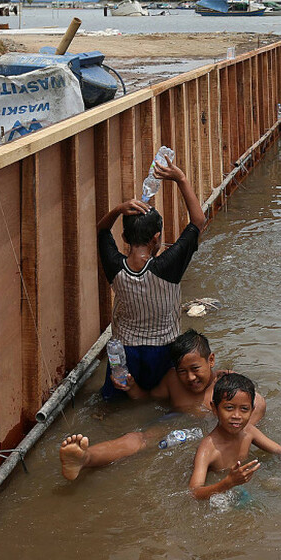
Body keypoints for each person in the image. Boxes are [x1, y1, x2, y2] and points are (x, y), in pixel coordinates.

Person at [59, 330, 265, 481]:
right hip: (174, 421)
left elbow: (258, 405)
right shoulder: (172, 380)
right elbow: (147, 399)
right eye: (182, 371)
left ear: (211, 360)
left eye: (195, 368)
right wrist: (131, 388)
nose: (190, 377)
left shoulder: (226, 384)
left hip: (210, 433)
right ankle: (85, 458)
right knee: (138, 438)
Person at [96, 152, 206, 401]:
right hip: (164, 351)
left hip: (124, 353)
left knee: (117, 402)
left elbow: (102, 230)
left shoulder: (115, 266)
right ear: (156, 238)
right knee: (165, 402)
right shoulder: (168, 266)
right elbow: (198, 221)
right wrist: (181, 179)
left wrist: (117, 209)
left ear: (124, 238)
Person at [189, 373, 281, 500]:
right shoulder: (208, 448)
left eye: (244, 409)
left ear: (252, 410)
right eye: (229, 408)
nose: (237, 415)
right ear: (214, 408)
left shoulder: (248, 431)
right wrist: (227, 483)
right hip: (223, 491)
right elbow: (194, 492)